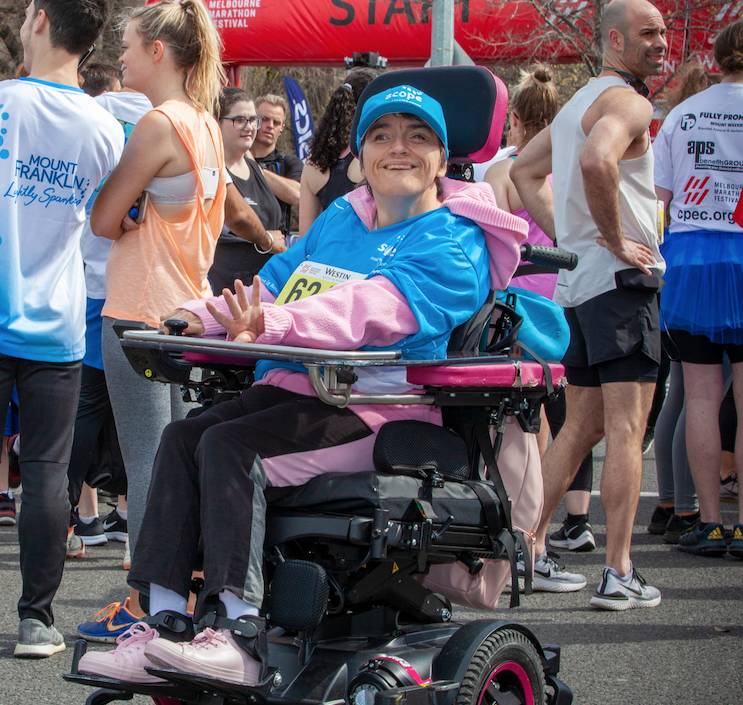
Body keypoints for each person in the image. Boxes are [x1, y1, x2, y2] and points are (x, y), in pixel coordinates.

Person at [77, 82, 527, 684]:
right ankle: (165, 624)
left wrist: (275, 322)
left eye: (419, 138)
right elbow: (274, 280)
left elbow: (373, 307)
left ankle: (237, 634)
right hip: (298, 389)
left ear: (443, 160)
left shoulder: (456, 238)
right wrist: (194, 318)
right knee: (183, 440)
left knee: (229, 447)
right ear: (358, 157)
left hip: (377, 407)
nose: (400, 148)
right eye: (383, 136)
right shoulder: (343, 215)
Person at [512, 0, 667, 609]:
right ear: (614, 41)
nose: (659, 43)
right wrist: (614, 239)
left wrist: (571, 243)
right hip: (619, 288)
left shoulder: (579, 100)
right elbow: (595, 160)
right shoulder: (628, 103)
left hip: (582, 287)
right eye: (647, 34)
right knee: (625, 429)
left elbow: (526, 171)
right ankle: (619, 571)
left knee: (582, 426)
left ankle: (529, 548)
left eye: (660, 32)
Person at [89, 0, 227, 615]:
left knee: (148, 462)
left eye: (126, 45)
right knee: (177, 459)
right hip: (186, 311)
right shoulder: (205, 121)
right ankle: (178, 598)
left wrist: (128, 207)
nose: (118, 57)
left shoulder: (156, 125)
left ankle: (145, 605)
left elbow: (100, 218)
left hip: (138, 313)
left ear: (156, 51)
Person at [0, 0, 124, 657]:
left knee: (44, 470)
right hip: (57, 320)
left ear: (39, 19)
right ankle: (36, 621)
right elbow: (113, 219)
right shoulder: (104, 127)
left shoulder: (4, 102)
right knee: (47, 470)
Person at [486, 66, 596, 558]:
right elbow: (569, 232)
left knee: (529, 421)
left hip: (516, 304)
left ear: (517, 119)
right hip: (558, 299)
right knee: (561, 419)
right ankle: (552, 533)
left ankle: (529, 534)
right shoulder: (564, 166)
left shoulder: (505, 167)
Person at [652, 20, 743, 559]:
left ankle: (711, 523)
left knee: (702, 397)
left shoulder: (683, 115)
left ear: (717, 57)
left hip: (690, 258)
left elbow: (657, 199)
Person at [210, 87, 284, 292]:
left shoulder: (254, 168)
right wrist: (267, 240)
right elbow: (238, 220)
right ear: (217, 122)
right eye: (239, 120)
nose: (249, 127)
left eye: (253, 120)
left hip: (264, 284)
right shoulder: (212, 169)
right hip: (225, 289)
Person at [299, 67, 377, 235]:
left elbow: (306, 236)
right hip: (360, 256)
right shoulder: (370, 155)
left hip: (323, 255)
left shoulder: (314, 161)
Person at [251, 93, 304, 234]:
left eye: (276, 122)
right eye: (265, 119)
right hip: (236, 243)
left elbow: (297, 195)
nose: (270, 126)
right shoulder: (234, 159)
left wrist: (254, 169)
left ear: (282, 128)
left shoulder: (290, 163)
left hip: (275, 245)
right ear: (253, 120)